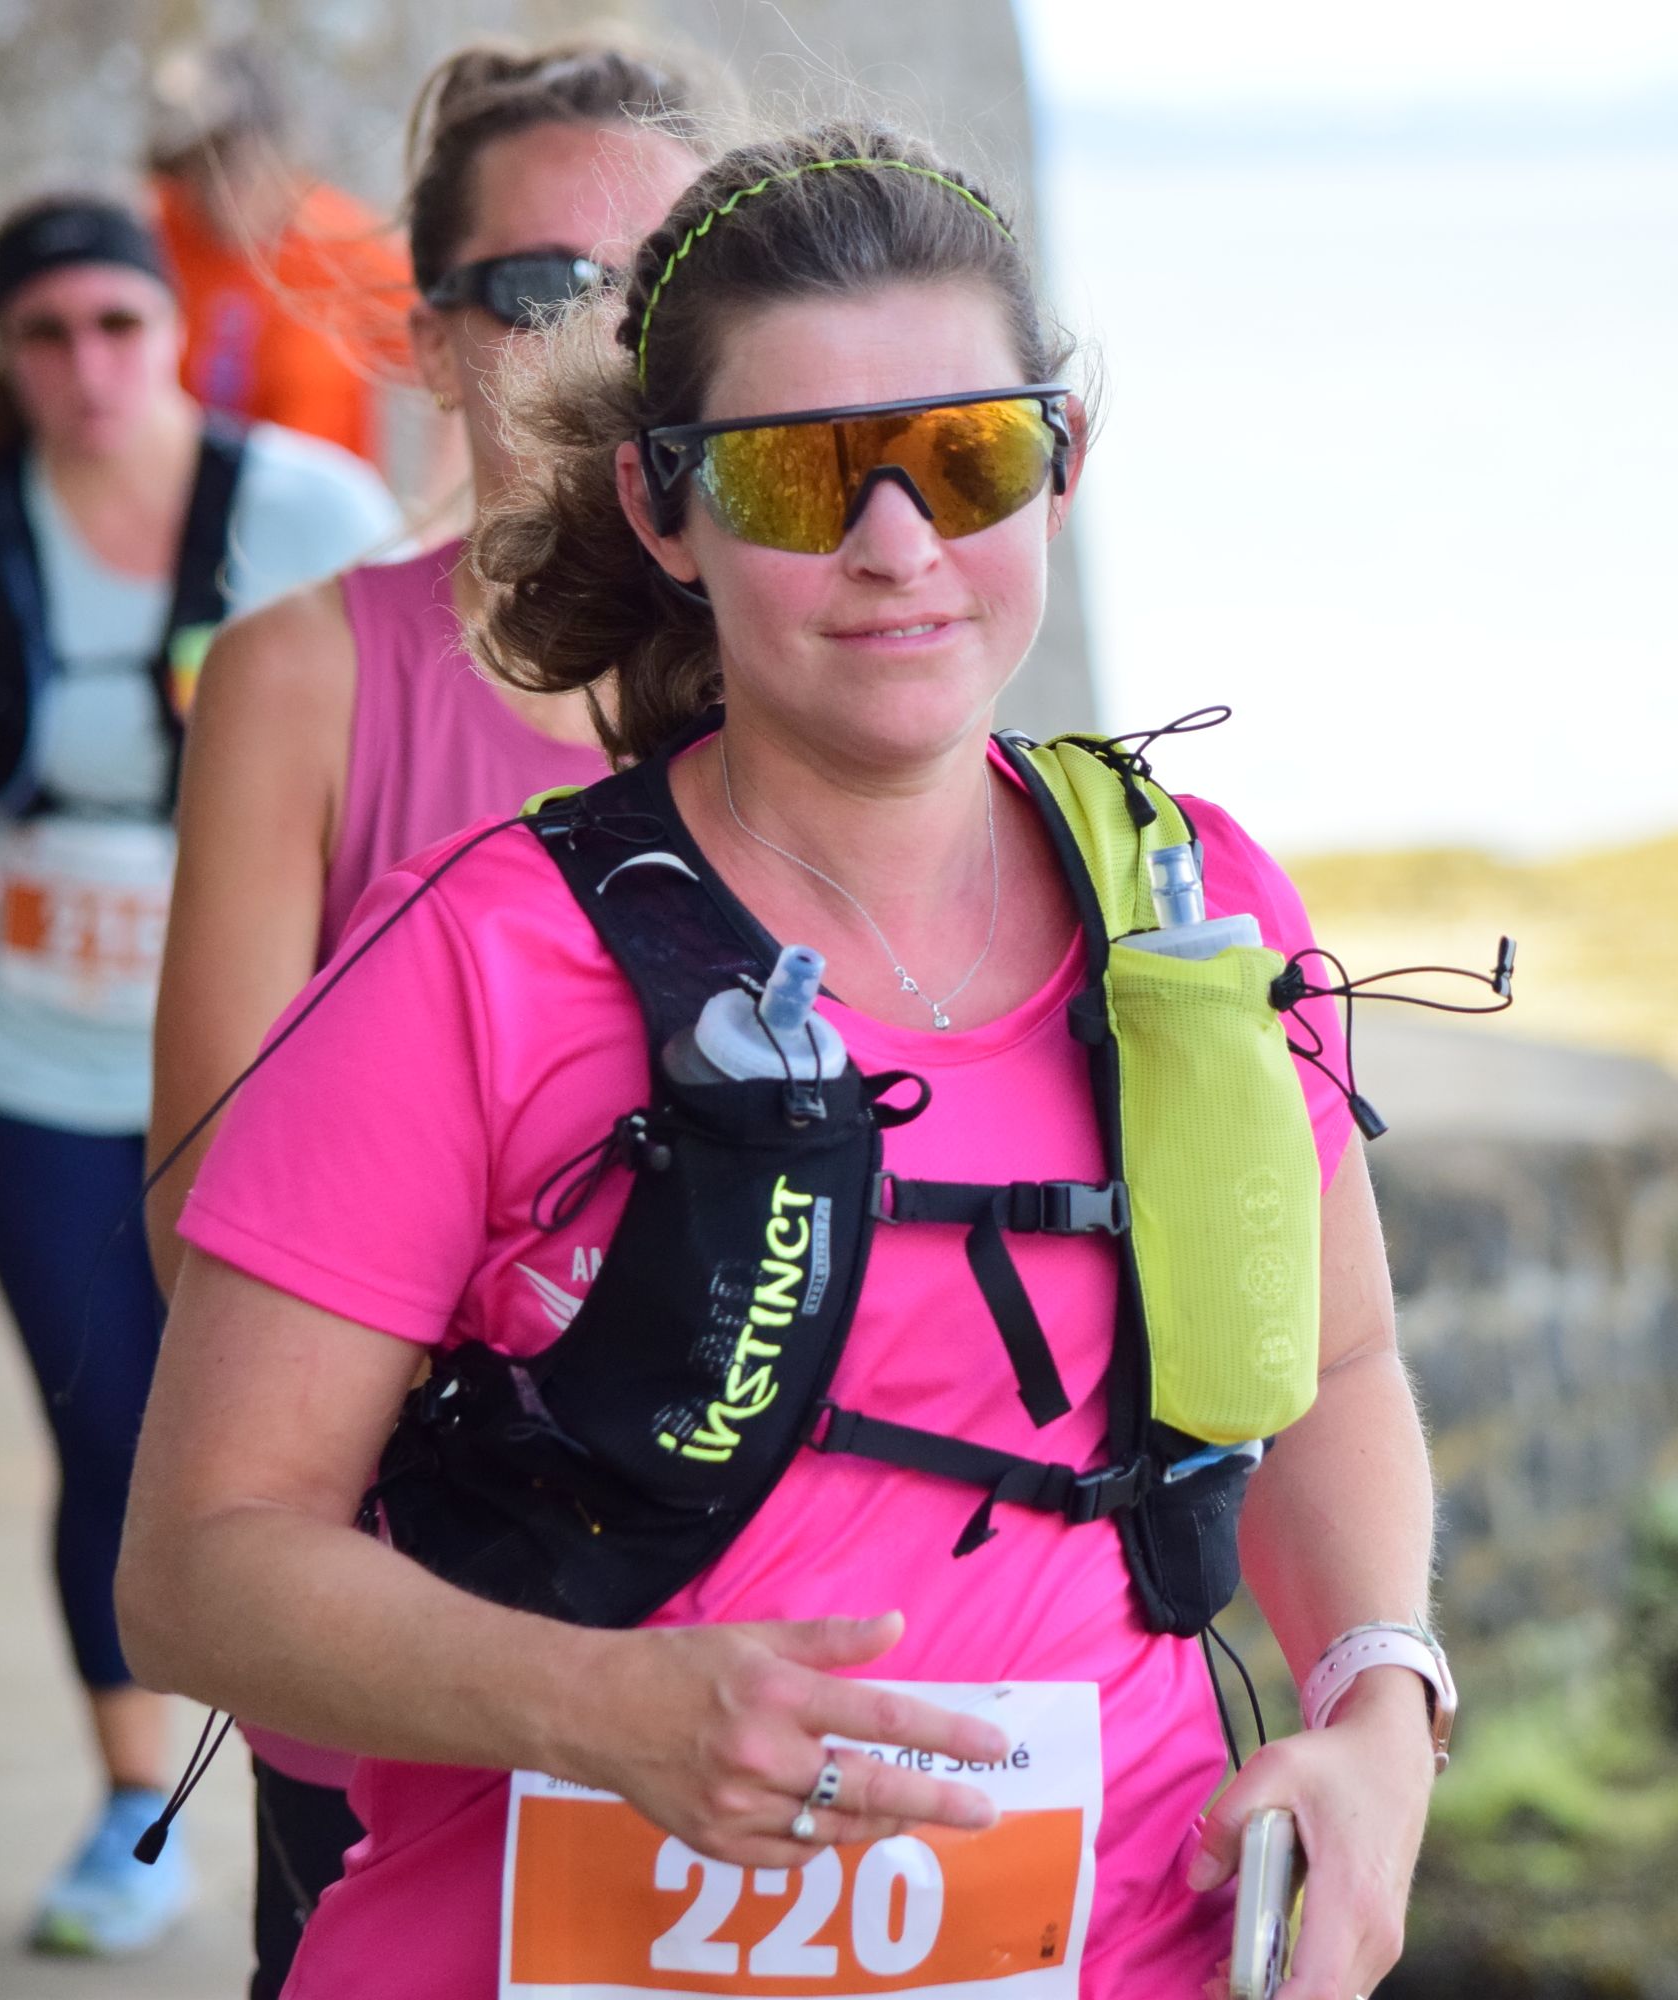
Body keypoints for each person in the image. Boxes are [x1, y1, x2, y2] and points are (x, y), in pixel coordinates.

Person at [118, 125, 1443, 1998]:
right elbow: (197, 1571)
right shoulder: (473, 960)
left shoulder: (1195, 906)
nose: (898, 544)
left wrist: (1383, 1704)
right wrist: (598, 1708)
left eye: (965, 455)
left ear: (1061, 464)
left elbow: (1335, 1369)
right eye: (798, 475)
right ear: (665, 510)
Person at [140, 36, 716, 1998]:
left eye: (659, 279)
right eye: (540, 285)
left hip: (763, 1632)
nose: (604, 334)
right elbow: (202, 1204)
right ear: (430, 333)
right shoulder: (309, 675)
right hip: (417, 1636)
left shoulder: (795, 664)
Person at [0, 191, 402, 1957]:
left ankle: (359, 1798)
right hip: (28, 1065)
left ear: (176, 332)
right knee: (112, 1421)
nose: (86, 366)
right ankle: (128, 1809)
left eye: (116, 324)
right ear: (4, 355)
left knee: (335, 1431)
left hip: (273, 1063)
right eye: (45, 334)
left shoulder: (308, 510)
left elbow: (415, 720)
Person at [150, 42, 414, 470]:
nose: (217, 190)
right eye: (198, 165)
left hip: (320, 501)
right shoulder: (150, 234)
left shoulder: (341, 242)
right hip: (177, 501)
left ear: (276, 152)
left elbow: (457, 353)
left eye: (233, 161)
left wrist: (440, 500)